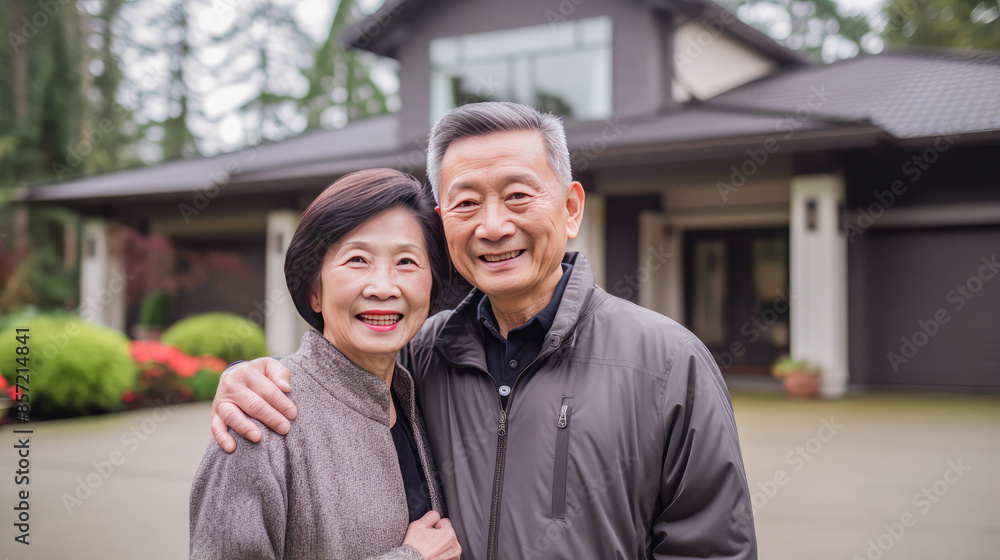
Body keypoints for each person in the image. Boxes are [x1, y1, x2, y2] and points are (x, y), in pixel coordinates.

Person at [211, 102, 757, 559]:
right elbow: (339, 374)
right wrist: (249, 377)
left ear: (570, 209)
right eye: (467, 202)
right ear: (444, 223)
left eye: (518, 195)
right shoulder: (422, 356)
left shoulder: (665, 362)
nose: (493, 226)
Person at [189, 169, 462, 560]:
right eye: (357, 260)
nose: (383, 287)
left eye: (406, 262)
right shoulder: (262, 418)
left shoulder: (419, 393)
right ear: (314, 291)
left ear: (431, 286)